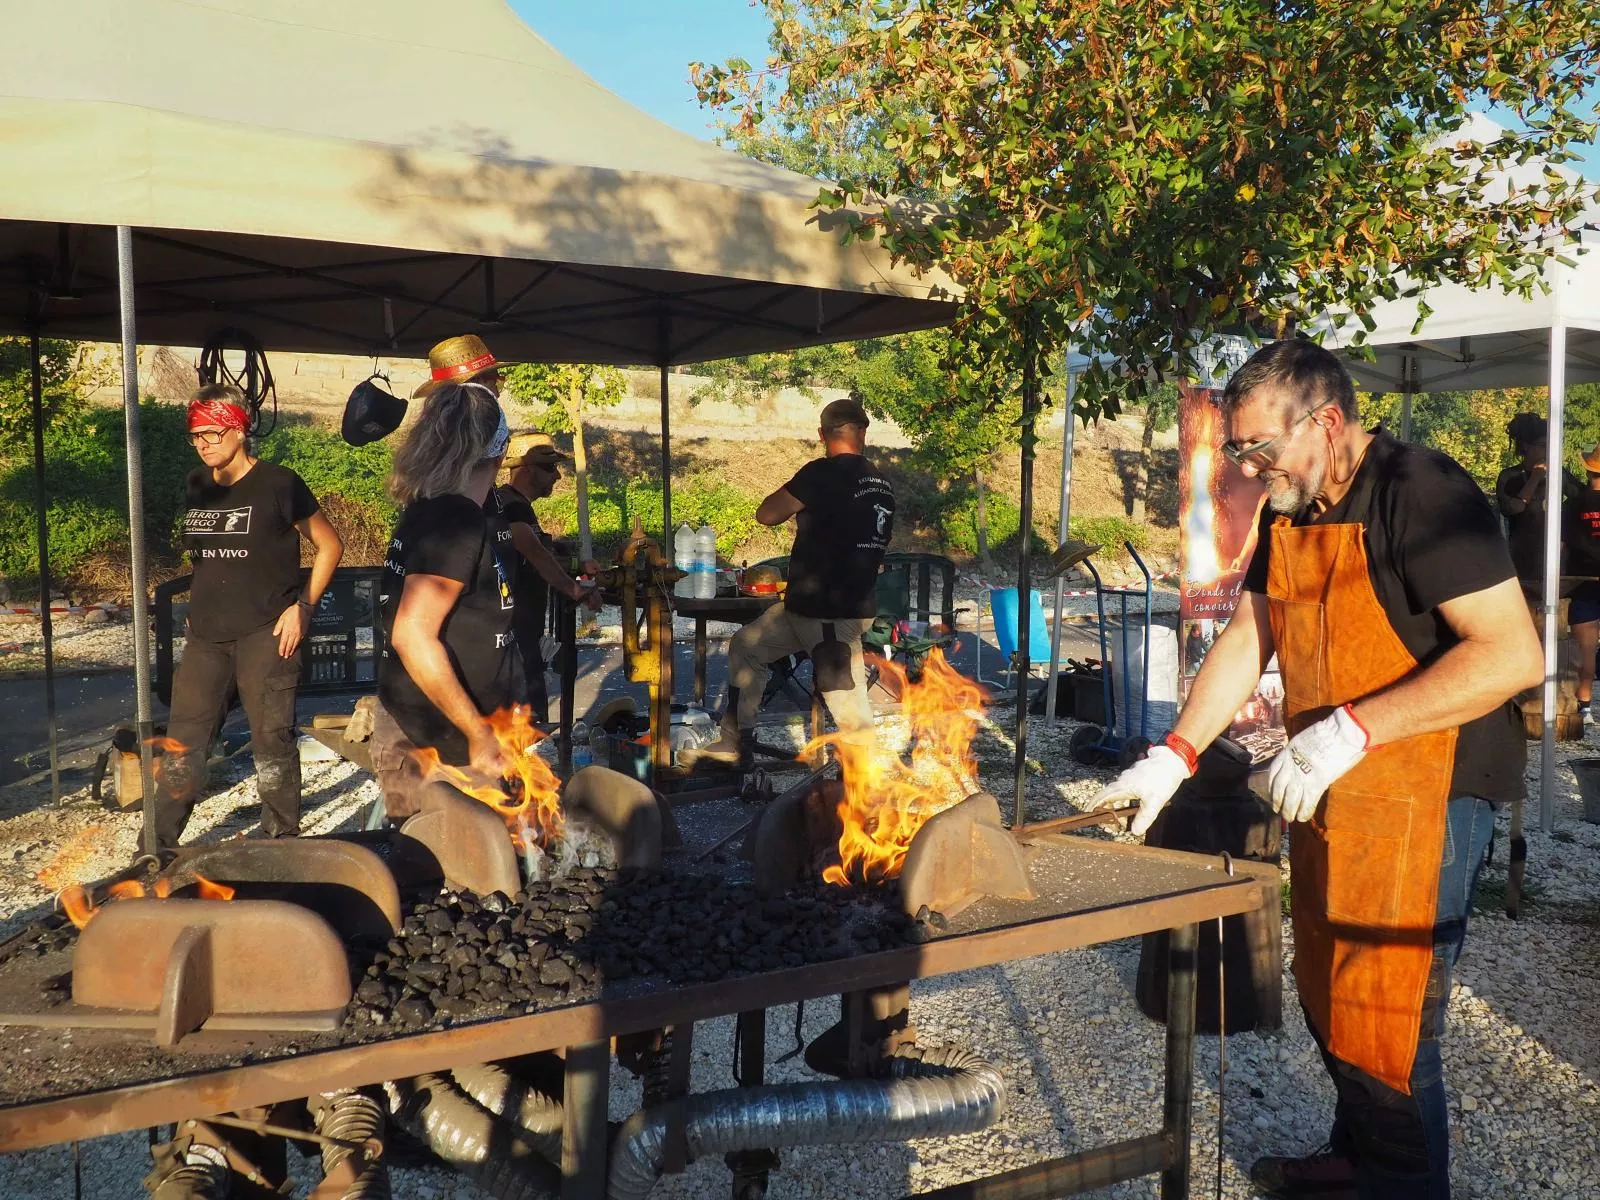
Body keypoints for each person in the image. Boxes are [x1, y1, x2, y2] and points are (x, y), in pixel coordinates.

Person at [1093, 341, 1541, 1200]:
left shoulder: (1422, 491)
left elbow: (1510, 653)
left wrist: (1352, 729)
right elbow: (1249, 634)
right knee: (1329, 983)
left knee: (1394, 1012)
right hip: (1331, 781)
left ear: (1327, 422)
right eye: (1240, 451)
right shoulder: (1293, 509)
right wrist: (1173, 753)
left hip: (1430, 789)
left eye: (1260, 448)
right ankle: (1359, 1159)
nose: (1252, 470)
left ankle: (1407, 1186)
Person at [150, 384, 344, 854]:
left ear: (239, 429)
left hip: (267, 633)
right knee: (183, 744)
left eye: (212, 433)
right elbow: (207, 562)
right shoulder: (198, 482)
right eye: (195, 435)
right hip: (206, 638)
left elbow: (330, 546)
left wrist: (303, 607)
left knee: (271, 742)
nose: (203, 444)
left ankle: (280, 842)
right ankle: (155, 846)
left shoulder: (280, 483)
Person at [690, 395, 895, 768]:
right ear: (863, 432)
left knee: (847, 705)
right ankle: (736, 742)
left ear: (822, 433)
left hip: (830, 615)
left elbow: (766, 513)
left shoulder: (821, 474)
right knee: (747, 646)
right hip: (813, 608)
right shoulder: (881, 483)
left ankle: (872, 787)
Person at [371, 381, 521, 816]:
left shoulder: (439, 508)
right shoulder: (453, 520)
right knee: (453, 879)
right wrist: (478, 734)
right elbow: (413, 636)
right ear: (500, 448)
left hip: (459, 734)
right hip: (440, 746)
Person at [493, 431, 602, 718]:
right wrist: (574, 589)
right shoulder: (511, 505)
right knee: (525, 719)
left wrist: (576, 566)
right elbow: (532, 550)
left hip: (523, 630)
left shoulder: (519, 506)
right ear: (526, 469)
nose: (557, 476)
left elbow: (540, 554)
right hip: (512, 630)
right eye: (549, 467)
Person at [1494, 412, 1581, 584]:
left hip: (1555, 557)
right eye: (1542, 445)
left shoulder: (1558, 473)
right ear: (1526, 446)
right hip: (1523, 556)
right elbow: (1512, 509)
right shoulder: (1509, 476)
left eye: (1551, 446)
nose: (1548, 451)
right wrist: (1535, 478)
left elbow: (1581, 496)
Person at [1564, 444, 1600, 726]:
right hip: (1587, 581)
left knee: (1585, 649)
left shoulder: (1572, 506)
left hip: (1582, 581)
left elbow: (1563, 546)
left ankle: (1584, 708)